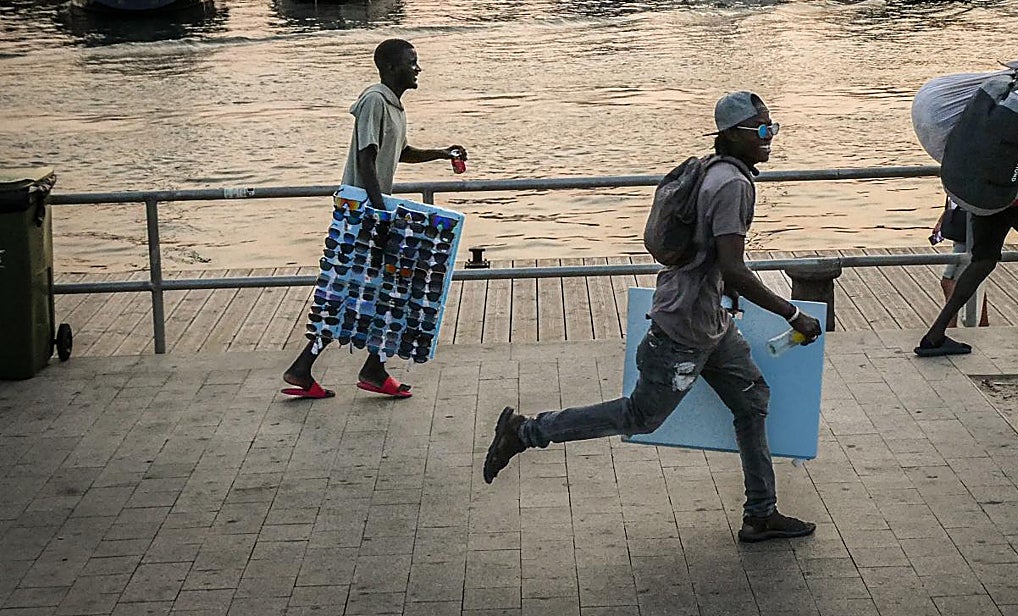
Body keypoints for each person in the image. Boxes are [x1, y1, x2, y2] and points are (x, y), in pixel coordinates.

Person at [482, 92, 825, 543]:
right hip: (683, 327)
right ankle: (526, 431)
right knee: (640, 416)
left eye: (772, 128)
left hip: (709, 322)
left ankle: (760, 512)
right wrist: (793, 313)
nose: (769, 138)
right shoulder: (733, 185)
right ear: (733, 134)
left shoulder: (713, 170)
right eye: (761, 129)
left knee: (752, 400)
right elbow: (733, 267)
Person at [282, 38, 468, 399]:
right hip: (361, 213)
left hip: (371, 211)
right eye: (411, 62)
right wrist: (380, 213)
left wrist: (443, 153)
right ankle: (348, 368)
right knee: (355, 289)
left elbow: (401, 154)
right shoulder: (374, 100)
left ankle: (346, 367)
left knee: (373, 290)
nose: (418, 68)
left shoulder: (395, 107)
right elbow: (366, 160)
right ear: (390, 67)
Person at [915, 46, 1018, 357]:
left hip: (988, 189)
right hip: (1016, 195)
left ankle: (936, 335)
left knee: (983, 259)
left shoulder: (1013, 88)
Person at [931, 199, 989, 328]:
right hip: (963, 225)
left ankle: (950, 324)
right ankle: (983, 322)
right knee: (975, 277)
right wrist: (942, 220)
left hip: (967, 228)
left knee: (948, 280)